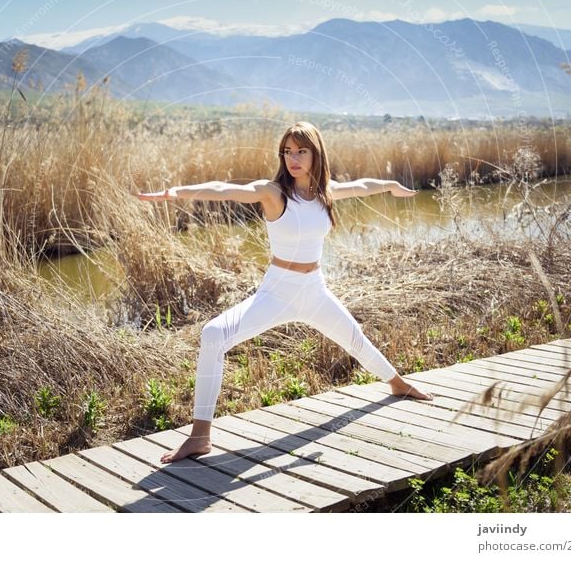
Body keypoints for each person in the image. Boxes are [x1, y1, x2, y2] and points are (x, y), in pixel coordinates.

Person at [137, 121, 433, 464]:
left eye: (301, 151)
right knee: (214, 334)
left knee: (356, 339)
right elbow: (224, 189)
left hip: (315, 290)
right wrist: (175, 193)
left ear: (315, 153)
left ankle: (397, 383)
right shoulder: (273, 192)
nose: (293, 158)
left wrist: (391, 184)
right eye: (287, 151)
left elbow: (364, 185)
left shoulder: (325, 193)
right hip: (277, 292)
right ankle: (200, 436)